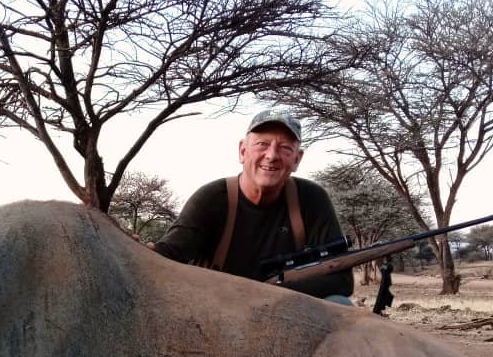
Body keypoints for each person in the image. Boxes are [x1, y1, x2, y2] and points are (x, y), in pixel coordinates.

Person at [151, 110, 354, 303]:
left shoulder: (312, 198)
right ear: (242, 151)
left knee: (340, 303)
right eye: (262, 144)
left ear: (296, 159)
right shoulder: (212, 198)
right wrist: (135, 248)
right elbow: (167, 255)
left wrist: (269, 292)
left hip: (285, 310)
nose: (272, 155)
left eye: (285, 148)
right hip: (215, 309)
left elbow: (342, 280)